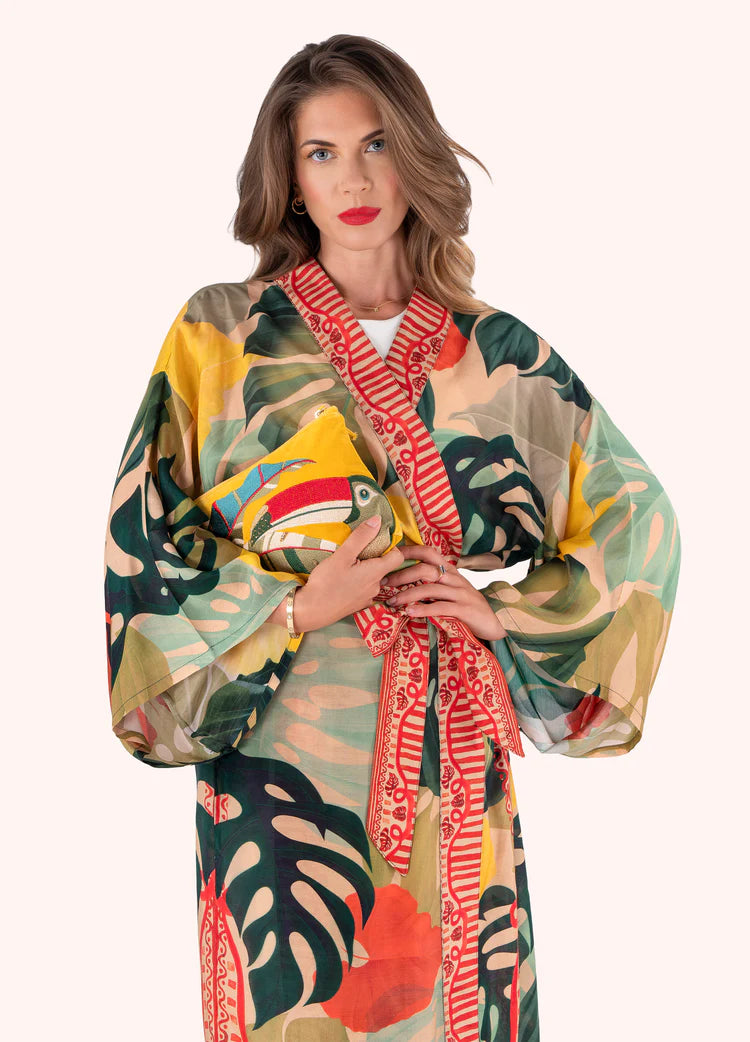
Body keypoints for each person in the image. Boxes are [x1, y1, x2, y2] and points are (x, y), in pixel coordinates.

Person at [103, 33, 681, 1042]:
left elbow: (637, 517)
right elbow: (145, 535)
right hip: (283, 756)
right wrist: (296, 608)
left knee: (455, 993)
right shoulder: (220, 334)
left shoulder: (499, 352)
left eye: (375, 144)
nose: (354, 179)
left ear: (414, 152)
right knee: (307, 994)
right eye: (320, 153)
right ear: (288, 178)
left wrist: (501, 615)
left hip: (450, 747)